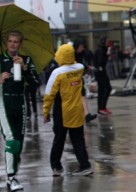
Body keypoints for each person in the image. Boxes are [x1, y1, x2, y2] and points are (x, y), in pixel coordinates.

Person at [0, 30, 39, 192]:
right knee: (12, 139)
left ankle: (14, 175)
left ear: (20, 44)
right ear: (6, 43)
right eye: (10, 41)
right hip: (4, 102)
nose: (13, 44)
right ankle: (10, 177)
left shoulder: (27, 60)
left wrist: (24, 67)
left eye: (16, 42)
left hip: (21, 103)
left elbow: (35, 84)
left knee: (19, 143)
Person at [43, 44, 93, 177]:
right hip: (77, 110)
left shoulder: (57, 73)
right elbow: (76, 66)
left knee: (59, 139)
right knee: (78, 139)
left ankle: (56, 167)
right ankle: (85, 165)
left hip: (62, 111)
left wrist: (45, 112)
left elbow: (49, 95)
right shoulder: (79, 68)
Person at [73, 39, 97, 123]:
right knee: (75, 97)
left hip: (79, 77)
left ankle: (87, 114)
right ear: (77, 46)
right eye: (81, 47)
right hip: (72, 78)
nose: (82, 48)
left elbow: (82, 64)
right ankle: (80, 114)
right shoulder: (71, 55)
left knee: (83, 95)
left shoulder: (82, 54)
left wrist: (87, 67)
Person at [93, 37, 112, 115]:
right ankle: (102, 107)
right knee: (107, 88)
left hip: (99, 72)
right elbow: (101, 62)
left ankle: (100, 108)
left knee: (101, 89)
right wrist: (107, 54)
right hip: (100, 72)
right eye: (107, 42)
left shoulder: (100, 49)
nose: (108, 43)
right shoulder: (101, 50)